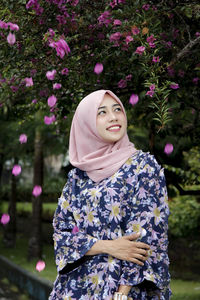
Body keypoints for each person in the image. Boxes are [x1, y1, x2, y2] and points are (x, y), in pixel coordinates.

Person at [49, 90, 171, 300]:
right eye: (102, 112)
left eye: (117, 110)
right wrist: (109, 246)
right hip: (75, 290)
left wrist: (122, 293)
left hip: (125, 290)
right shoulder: (78, 177)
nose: (113, 117)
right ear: (86, 124)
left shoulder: (143, 167)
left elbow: (147, 238)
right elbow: (61, 237)